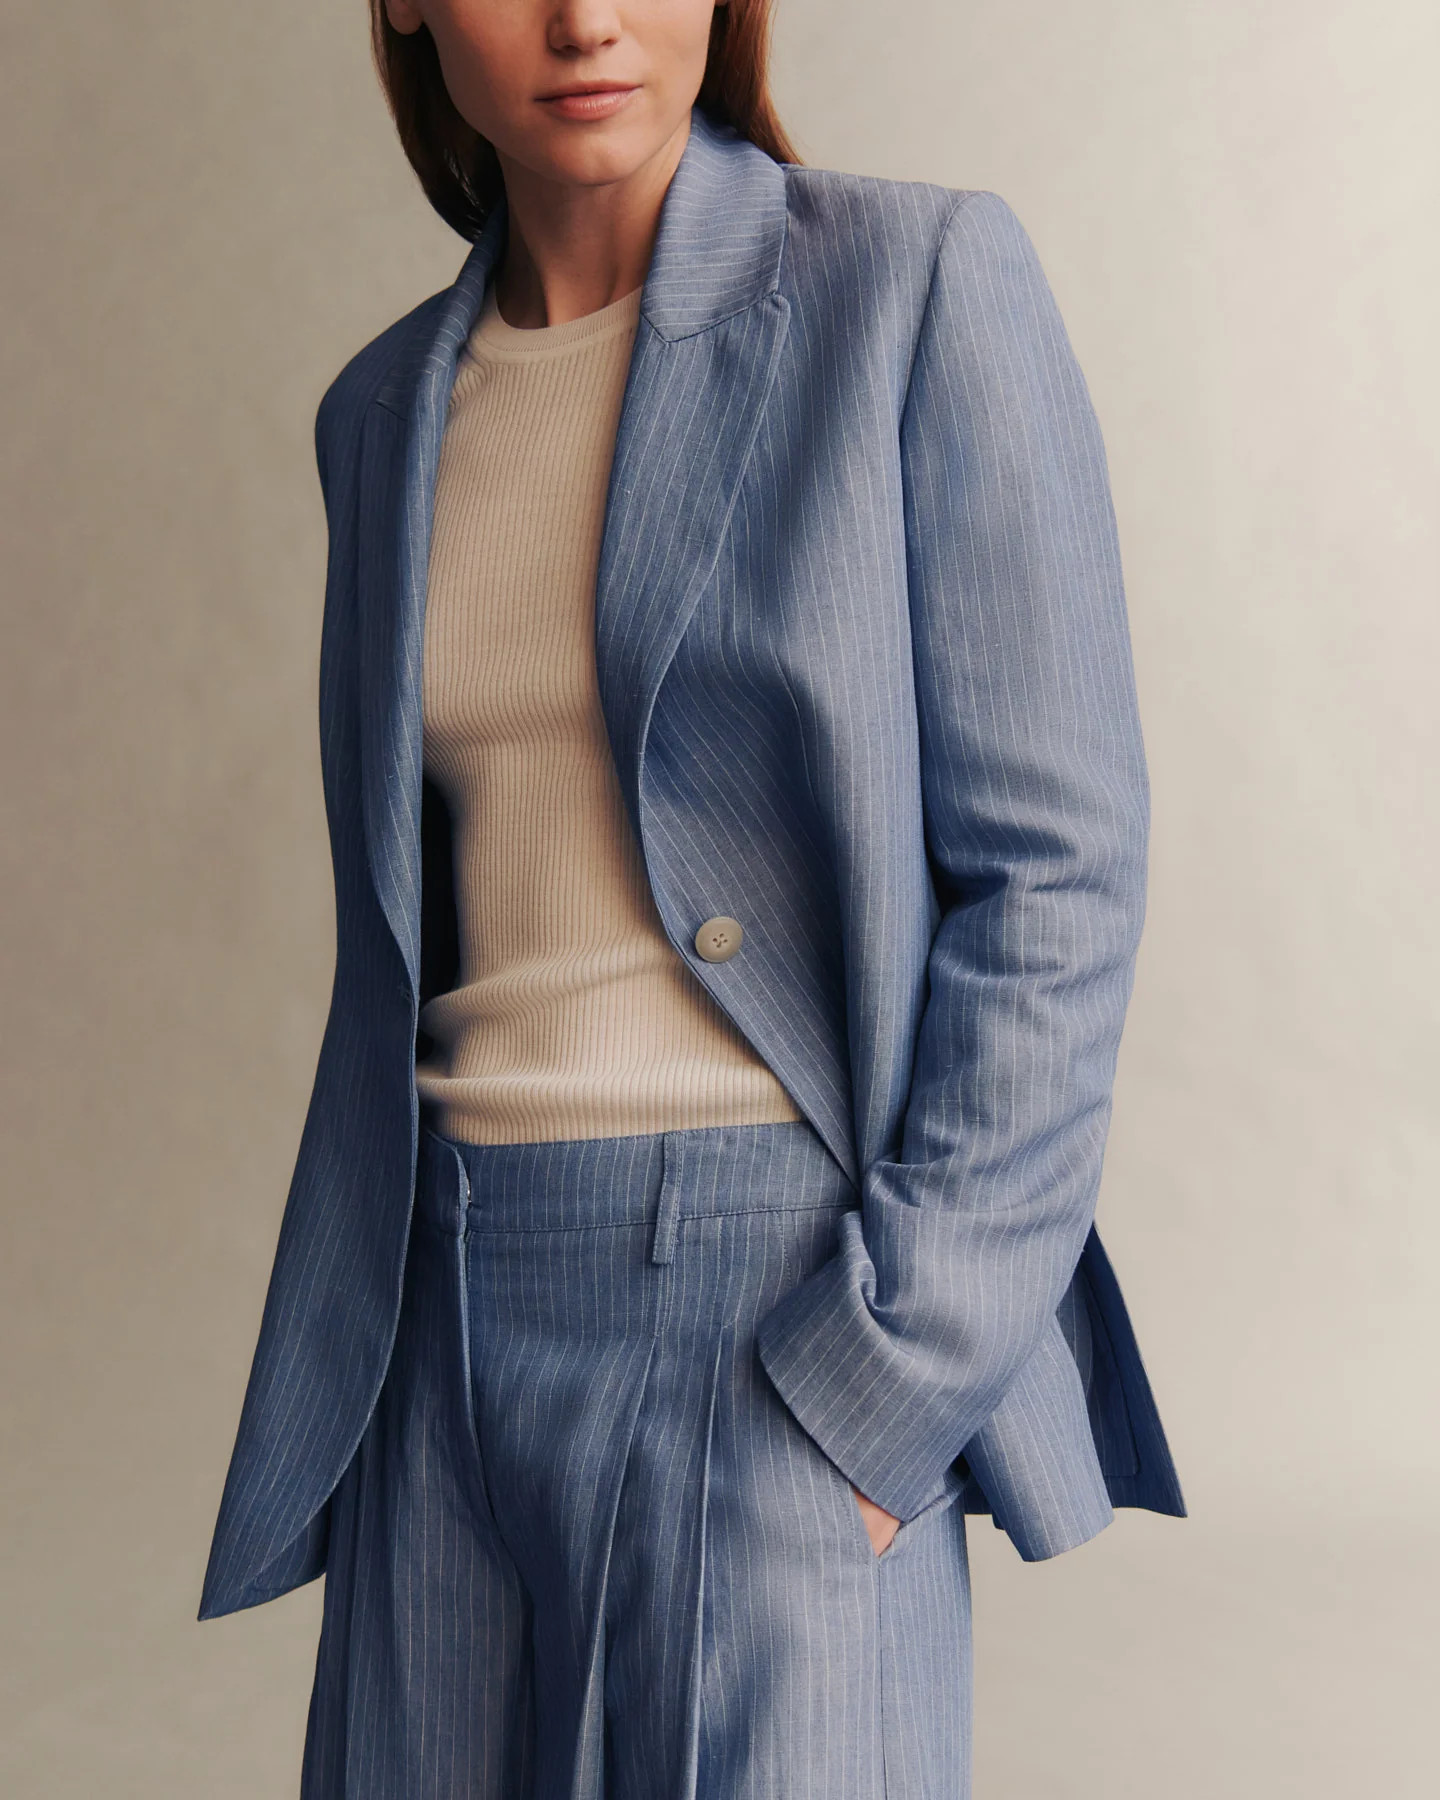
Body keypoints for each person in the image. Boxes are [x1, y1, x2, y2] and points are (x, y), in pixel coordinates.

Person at [199, 1, 1186, 1794]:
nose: (587, 17)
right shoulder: (383, 413)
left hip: (775, 1304)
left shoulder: (910, 288)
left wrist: (897, 1379)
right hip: (437, 1306)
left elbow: (1058, 871)